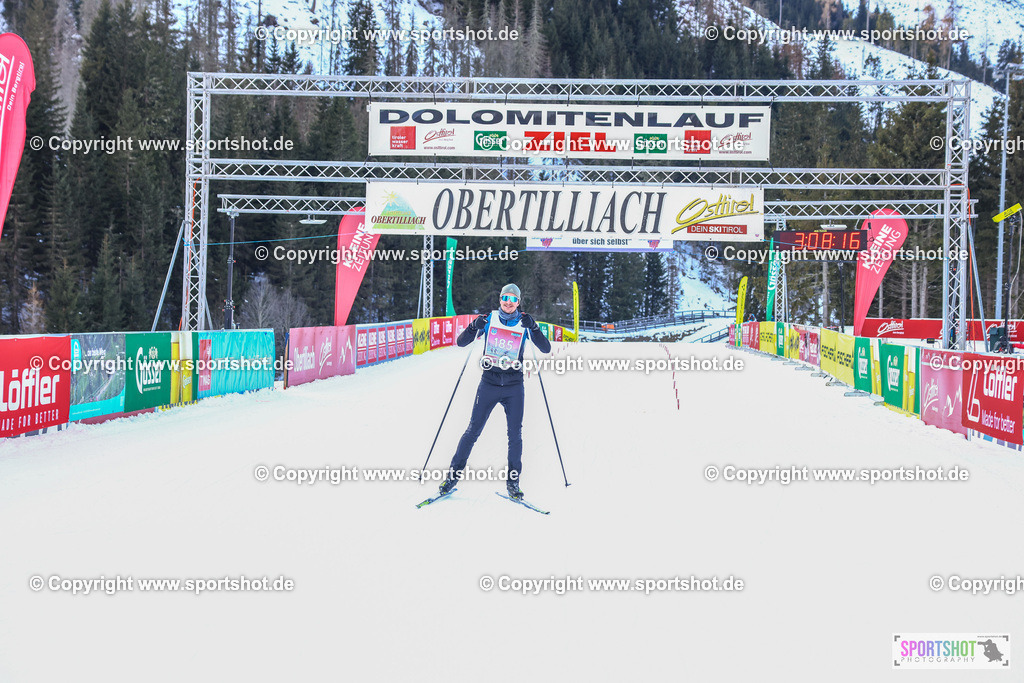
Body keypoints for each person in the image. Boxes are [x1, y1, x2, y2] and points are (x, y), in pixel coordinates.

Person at [438, 283, 551, 500]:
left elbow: (545, 349)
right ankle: (452, 477)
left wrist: (534, 328)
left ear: (519, 302)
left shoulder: (524, 322)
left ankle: (513, 483)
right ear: (500, 300)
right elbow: (462, 343)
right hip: (489, 383)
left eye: (513, 299)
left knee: (515, 436)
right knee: (472, 431)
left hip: (513, 386)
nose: (508, 303)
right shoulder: (489, 319)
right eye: (505, 298)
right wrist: (473, 326)